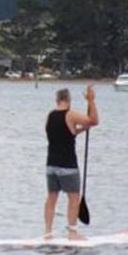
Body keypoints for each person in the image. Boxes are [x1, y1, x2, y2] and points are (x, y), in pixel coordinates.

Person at [44, 85, 98, 239]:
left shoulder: (50, 116)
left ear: (57, 100)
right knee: (74, 197)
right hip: (68, 166)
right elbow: (94, 121)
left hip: (51, 165)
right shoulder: (71, 114)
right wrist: (91, 101)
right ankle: (72, 232)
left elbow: (62, 135)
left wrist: (79, 130)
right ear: (68, 100)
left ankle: (48, 232)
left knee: (51, 197)